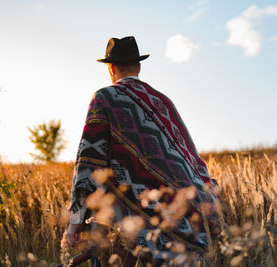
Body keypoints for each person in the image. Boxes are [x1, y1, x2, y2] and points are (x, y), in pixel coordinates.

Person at [67, 36, 218, 266]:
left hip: (126, 220)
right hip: (183, 219)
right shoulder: (164, 103)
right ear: (139, 66)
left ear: (111, 67)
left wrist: (76, 219)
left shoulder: (104, 98)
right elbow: (191, 159)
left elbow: (89, 161)